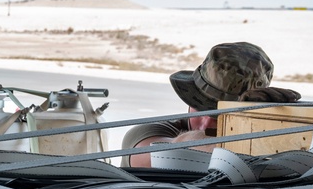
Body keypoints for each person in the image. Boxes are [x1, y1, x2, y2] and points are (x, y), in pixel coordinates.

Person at [122, 42, 301, 167]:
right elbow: (169, 153)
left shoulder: (255, 135)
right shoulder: (146, 134)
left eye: (220, 116)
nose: (206, 123)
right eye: (200, 108)